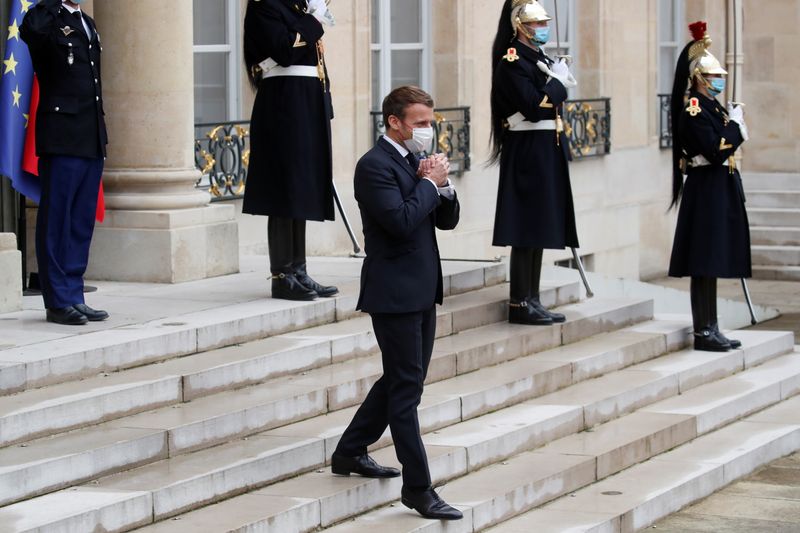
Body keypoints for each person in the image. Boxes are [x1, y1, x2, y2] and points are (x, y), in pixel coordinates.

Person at [331, 86, 462, 521]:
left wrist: (443, 187)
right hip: (394, 293)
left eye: (430, 122)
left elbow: (446, 220)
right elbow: (402, 222)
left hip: (423, 288)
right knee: (406, 391)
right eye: (420, 123)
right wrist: (428, 183)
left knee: (403, 380)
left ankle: (349, 451)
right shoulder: (373, 166)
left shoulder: (411, 160)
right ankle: (419, 488)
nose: (427, 130)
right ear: (394, 122)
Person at [489, 0, 579, 326]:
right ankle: (519, 301)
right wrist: (557, 84)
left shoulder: (539, 59)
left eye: (544, 24)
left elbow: (549, 105)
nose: (543, 29)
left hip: (545, 149)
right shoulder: (512, 61)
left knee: (540, 227)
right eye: (537, 25)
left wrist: (554, 82)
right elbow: (532, 105)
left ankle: (534, 298)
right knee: (526, 228)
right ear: (520, 27)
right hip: (527, 149)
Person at [242, 0, 338, 301]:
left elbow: (313, 59)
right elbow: (282, 51)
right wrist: (313, 21)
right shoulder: (264, 5)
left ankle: (299, 270)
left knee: (302, 188)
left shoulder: (298, 7)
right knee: (285, 190)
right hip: (283, 102)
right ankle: (282, 275)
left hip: (306, 100)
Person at [21, 0, 108, 326]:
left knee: (80, 221)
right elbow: (32, 31)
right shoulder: (44, 18)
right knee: (57, 220)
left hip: (89, 133)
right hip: (62, 134)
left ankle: (74, 294)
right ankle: (57, 300)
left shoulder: (85, 21)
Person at [668, 22, 750, 352]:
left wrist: (730, 129)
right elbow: (715, 151)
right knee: (704, 261)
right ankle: (703, 331)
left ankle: (712, 325)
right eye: (714, 77)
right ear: (700, 78)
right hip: (705, 188)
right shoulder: (694, 109)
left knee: (713, 260)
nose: (719, 82)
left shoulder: (712, 107)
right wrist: (737, 131)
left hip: (719, 187)